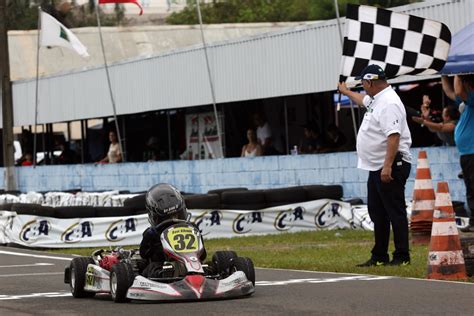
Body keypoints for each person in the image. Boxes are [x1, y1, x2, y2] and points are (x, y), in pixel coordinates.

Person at [338, 64, 412, 267]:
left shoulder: (388, 103)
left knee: (394, 210)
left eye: (363, 83)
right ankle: (379, 255)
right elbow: (363, 100)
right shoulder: (377, 99)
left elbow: (393, 136)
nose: (362, 87)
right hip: (376, 165)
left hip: (390, 165)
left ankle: (401, 256)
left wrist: (387, 166)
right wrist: (346, 91)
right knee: (377, 212)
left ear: (370, 82)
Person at [139, 183, 205, 278]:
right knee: (150, 268)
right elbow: (144, 254)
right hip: (163, 266)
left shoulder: (193, 229)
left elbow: (202, 255)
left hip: (192, 262)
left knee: (218, 261)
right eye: (167, 218)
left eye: (176, 216)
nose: (173, 220)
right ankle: (163, 276)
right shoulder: (152, 233)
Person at [442, 75, 474, 232]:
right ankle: (473, 221)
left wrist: (457, 72)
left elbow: (458, 90)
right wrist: (443, 73)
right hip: (467, 154)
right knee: (470, 188)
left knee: (473, 188)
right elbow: (449, 91)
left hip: (472, 153)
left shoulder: (472, 99)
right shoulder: (467, 103)